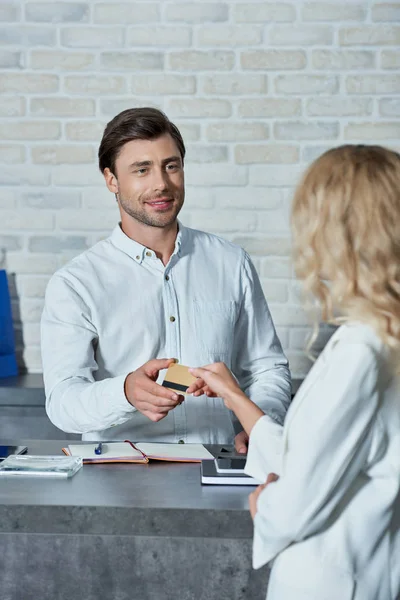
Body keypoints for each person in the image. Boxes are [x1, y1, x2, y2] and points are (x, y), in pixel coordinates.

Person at [189, 145, 400, 600]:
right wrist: (235, 397)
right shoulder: (386, 339)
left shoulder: (361, 352)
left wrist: (266, 504)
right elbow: (322, 455)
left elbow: (297, 497)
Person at [41, 107, 291, 448]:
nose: (161, 184)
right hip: (120, 479)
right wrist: (124, 392)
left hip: (217, 464)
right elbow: (62, 403)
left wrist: (261, 422)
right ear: (111, 179)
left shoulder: (231, 263)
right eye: (141, 170)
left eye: (170, 166)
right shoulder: (76, 283)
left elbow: (267, 368)